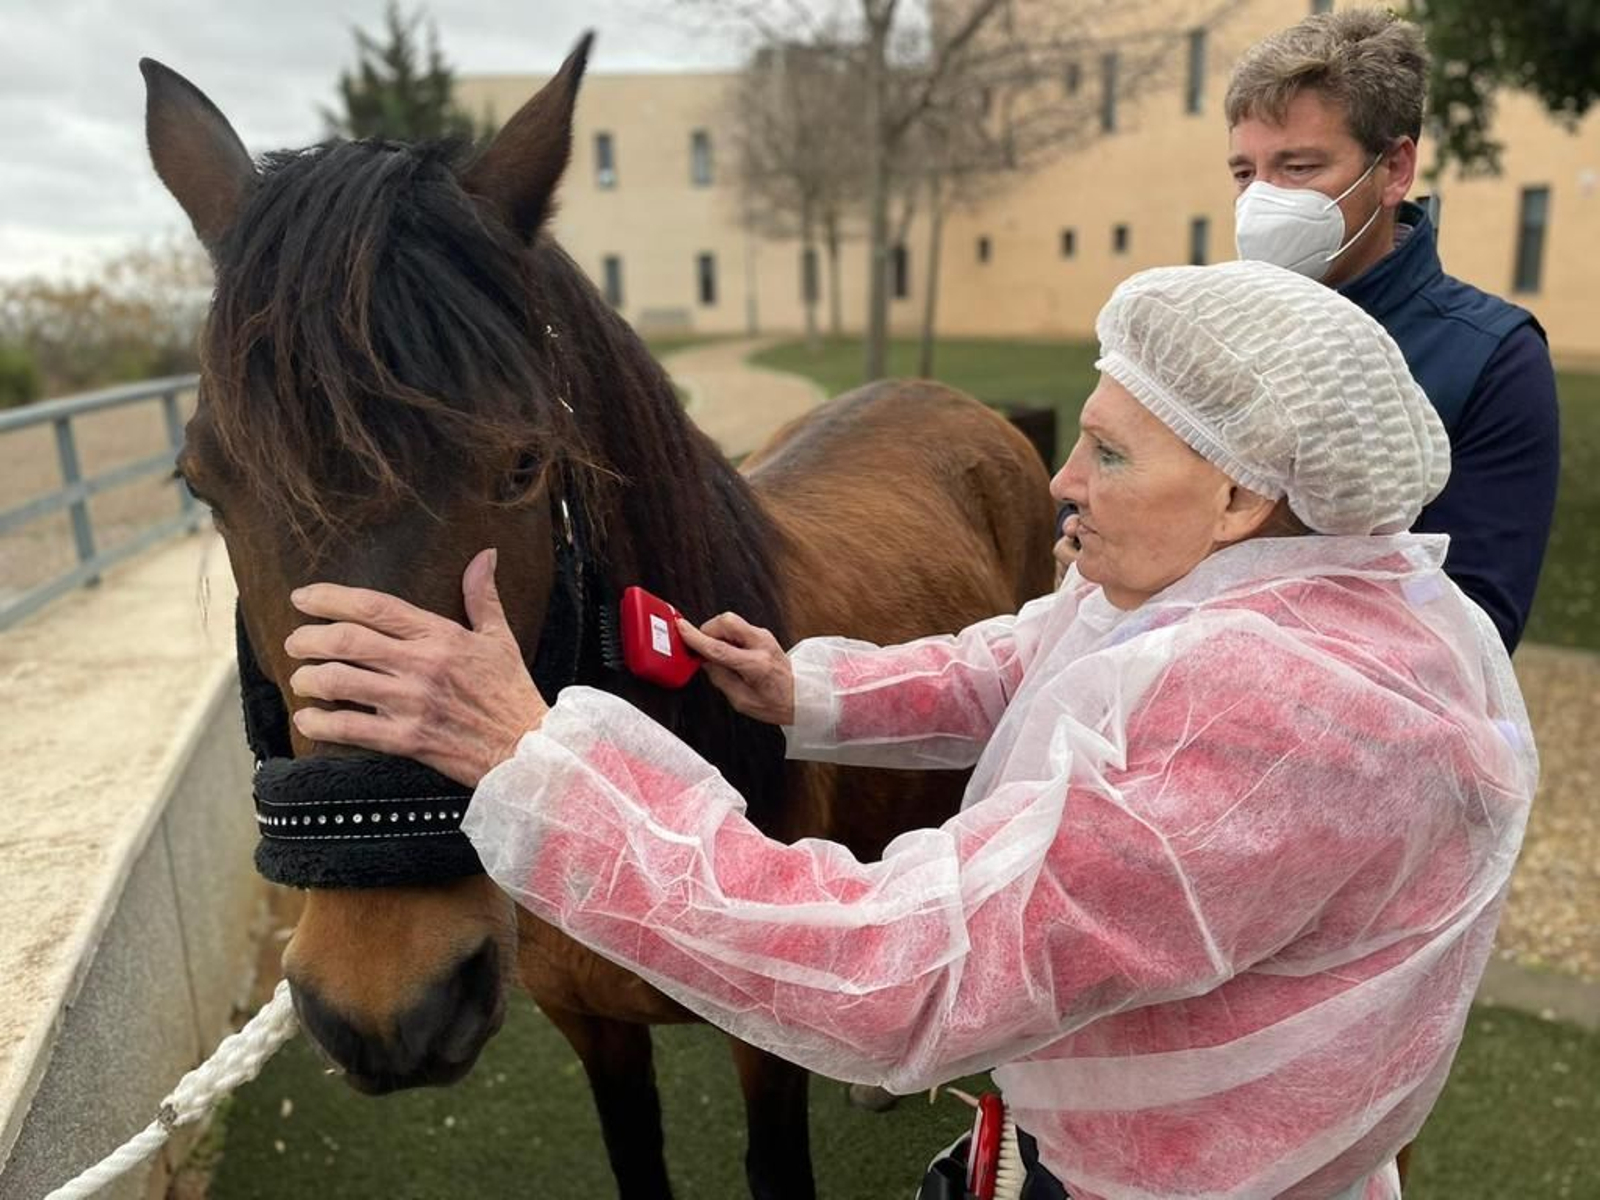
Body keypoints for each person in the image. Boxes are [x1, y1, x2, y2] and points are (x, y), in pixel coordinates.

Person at [285, 262, 1537, 1199]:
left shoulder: (1277, 724)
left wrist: (537, 766)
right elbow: (1023, 655)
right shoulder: (1282, 580)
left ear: (1238, 492)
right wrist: (801, 690)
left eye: (1106, 450)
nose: (1061, 477)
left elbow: (903, 979)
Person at [1225, 7, 1560, 653]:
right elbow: (1098, 488)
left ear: (1395, 170)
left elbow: (1474, 627)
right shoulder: (1206, 324)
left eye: (1298, 168)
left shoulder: (1492, 358)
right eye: (1244, 172)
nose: (1260, 201)